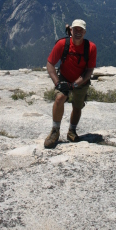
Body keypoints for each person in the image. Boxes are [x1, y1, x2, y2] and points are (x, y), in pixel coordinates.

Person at [44, 19, 97, 148]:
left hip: (81, 80)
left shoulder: (91, 48)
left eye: (81, 30)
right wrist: (57, 83)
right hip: (64, 77)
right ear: (71, 30)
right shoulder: (62, 44)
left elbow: (89, 71)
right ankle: (55, 131)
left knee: (77, 106)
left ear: (84, 32)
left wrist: (75, 84)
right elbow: (50, 63)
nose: (78, 32)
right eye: (75, 29)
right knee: (59, 98)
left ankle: (72, 131)